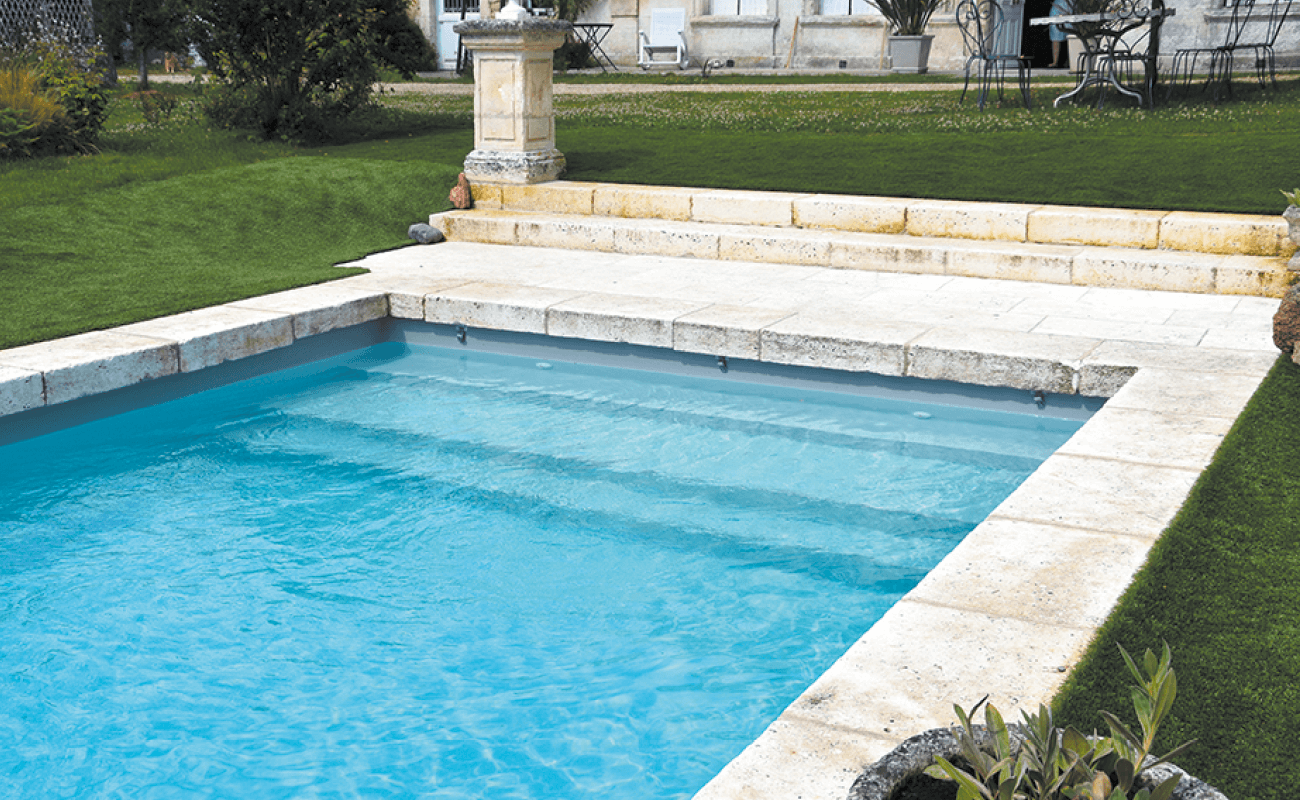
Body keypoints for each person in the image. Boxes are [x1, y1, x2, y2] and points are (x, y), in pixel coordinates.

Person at [1048, 0, 1072, 68]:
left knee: (1071, 35)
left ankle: (1070, 61)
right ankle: (1055, 62)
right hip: (1057, 7)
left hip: (1069, 6)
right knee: (1055, 35)